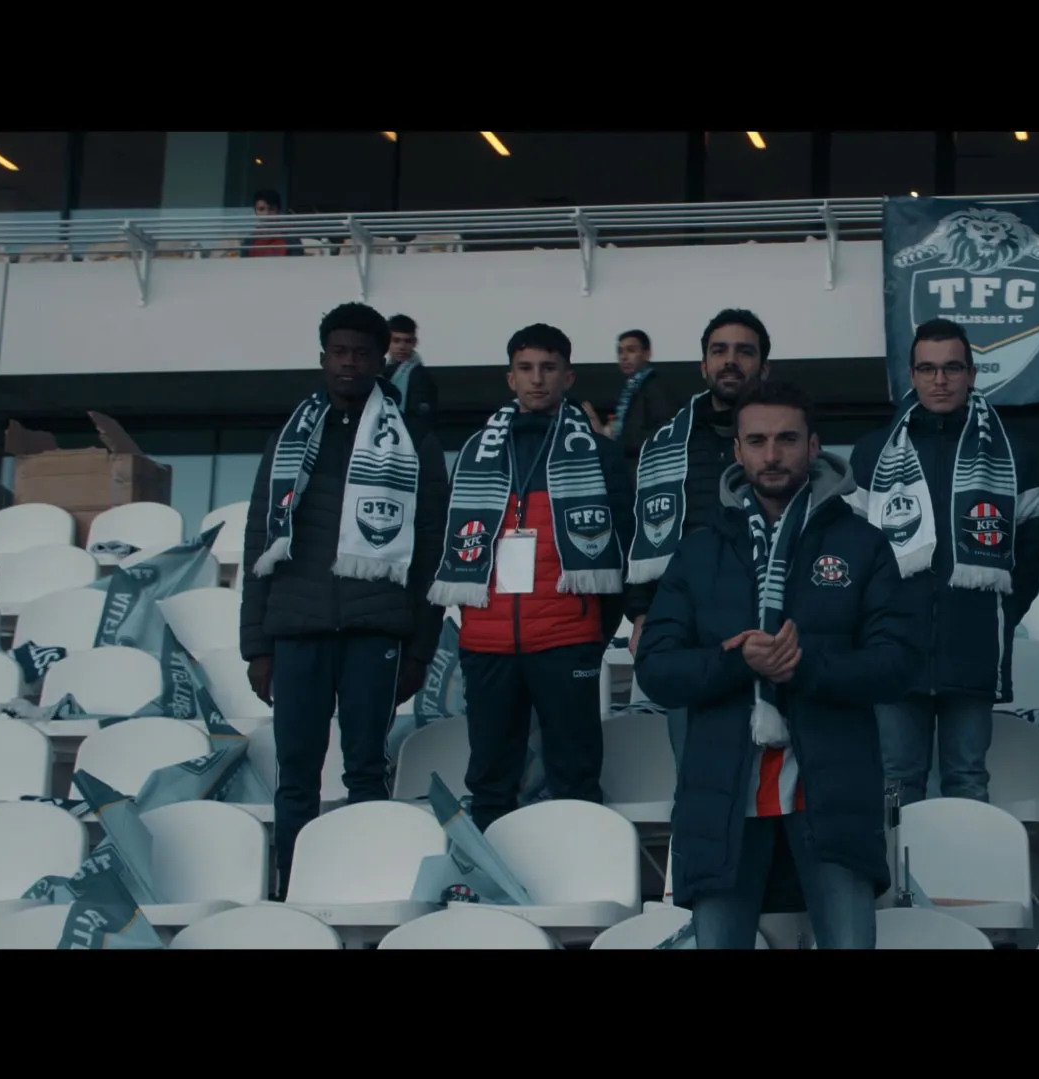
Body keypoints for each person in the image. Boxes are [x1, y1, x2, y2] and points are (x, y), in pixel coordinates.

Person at [635, 378, 920, 949]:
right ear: (736, 451)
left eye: (787, 439)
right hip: (724, 792)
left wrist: (804, 665)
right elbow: (657, 669)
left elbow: (897, 664)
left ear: (814, 447)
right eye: (757, 440)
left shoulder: (862, 544)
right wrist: (736, 661)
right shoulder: (700, 548)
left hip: (831, 790)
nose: (771, 454)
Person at [239, 302, 450, 896]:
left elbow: (432, 547)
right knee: (296, 778)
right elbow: (261, 537)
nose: (349, 363)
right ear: (323, 357)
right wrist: (257, 644)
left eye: (362, 353)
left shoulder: (414, 437)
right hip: (296, 630)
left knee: (365, 772)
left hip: (376, 632)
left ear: (382, 360)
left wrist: (419, 649)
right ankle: (293, 894)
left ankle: (364, 890)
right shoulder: (289, 438)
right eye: (339, 352)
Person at [427, 323, 635, 832]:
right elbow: (454, 545)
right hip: (487, 643)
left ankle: (579, 883)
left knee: (576, 778)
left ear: (568, 376)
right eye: (526, 369)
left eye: (548, 368)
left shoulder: (601, 453)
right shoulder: (477, 451)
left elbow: (622, 551)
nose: (537, 379)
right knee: (490, 780)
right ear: (510, 378)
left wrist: (588, 634)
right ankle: (495, 890)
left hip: (567, 641)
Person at [847, 318, 1039, 806]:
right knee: (896, 781)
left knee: (967, 780)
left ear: (972, 374)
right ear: (911, 375)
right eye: (928, 369)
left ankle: (966, 885)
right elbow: (852, 552)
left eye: (952, 368)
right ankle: (898, 886)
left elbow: (1033, 553)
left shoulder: (1015, 452)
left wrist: (997, 615)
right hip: (893, 647)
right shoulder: (873, 452)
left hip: (973, 645)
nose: (940, 380)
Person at [624, 309, 770, 755]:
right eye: (719, 351)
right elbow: (641, 529)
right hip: (689, 629)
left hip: (772, 620)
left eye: (744, 351)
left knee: (778, 778)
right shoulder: (666, 444)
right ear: (703, 365)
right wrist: (641, 613)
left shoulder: (788, 438)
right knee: (695, 768)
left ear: (764, 368)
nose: (731, 361)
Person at [584, 329, 690, 457]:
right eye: (620, 351)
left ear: (647, 354)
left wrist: (612, 440)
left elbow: (663, 434)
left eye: (631, 350)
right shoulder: (629, 388)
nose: (623, 357)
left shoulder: (656, 388)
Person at [384, 314, 439, 436]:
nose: (402, 347)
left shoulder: (420, 376)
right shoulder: (382, 371)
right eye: (396, 341)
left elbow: (421, 420)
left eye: (407, 341)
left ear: (414, 343)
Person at [242, 189, 302, 258]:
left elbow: (297, 266)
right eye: (261, 209)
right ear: (255, 211)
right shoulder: (249, 241)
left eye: (271, 209)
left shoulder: (291, 238)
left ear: (278, 210)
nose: (266, 214)